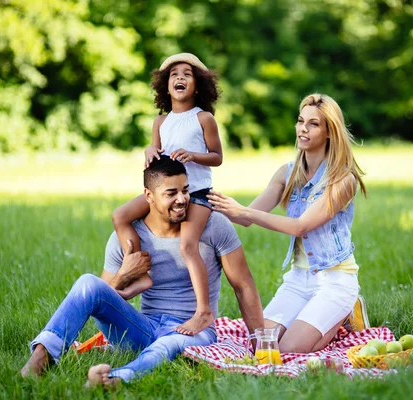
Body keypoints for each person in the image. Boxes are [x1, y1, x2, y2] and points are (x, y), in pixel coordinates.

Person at [20, 156, 263, 387]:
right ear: (149, 196)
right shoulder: (127, 237)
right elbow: (101, 298)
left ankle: (115, 379)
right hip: (143, 327)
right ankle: (40, 359)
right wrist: (124, 275)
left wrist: (260, 346)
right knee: (87, 283)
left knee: (168, 343)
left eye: (185, 190)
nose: (182, 199)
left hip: (194, 331)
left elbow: (243, 286)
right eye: (171, 193)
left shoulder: (213, 226)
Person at [208, 93, 367, 354]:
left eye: (313, 124)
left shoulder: (342, 180)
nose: (303, 128)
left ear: (330, 132)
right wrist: (208, 201)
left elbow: (300, 226)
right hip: (297, 280)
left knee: (287, 351)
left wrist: (243, 211)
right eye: (300, 120)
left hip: (334, 280)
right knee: (260, 347)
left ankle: (345, 311)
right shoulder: (288, 172)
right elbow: (245, 217)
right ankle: (319, 316)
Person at [112, 53, 222, 336]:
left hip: (196, 193)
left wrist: (194, 155)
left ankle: (203, 311)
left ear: (197, 86)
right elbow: (155, 155)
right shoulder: (160, 122)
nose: (180, 78)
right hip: (164, 193)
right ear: (166, 86)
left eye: (187, 74)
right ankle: (140, 274)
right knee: (120, 216)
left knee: (187, 245)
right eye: (174, 75)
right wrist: (149, 150)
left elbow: (217, 157)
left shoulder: (203, 118)